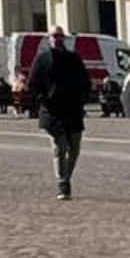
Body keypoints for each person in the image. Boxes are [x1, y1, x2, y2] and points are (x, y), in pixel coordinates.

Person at [27, 26, 92, 200]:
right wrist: (44, 99)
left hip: (73, 110)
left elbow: (86, 81)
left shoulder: (74, 58)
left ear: (64, 38)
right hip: (52, 111)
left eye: (60, 36)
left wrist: (83, 99)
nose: (57, 39)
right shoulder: (42, 59)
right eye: (54, 36)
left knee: (75, 149)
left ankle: (66, 178)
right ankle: (62, 183)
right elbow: (32, 84)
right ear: (49, 38)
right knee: (60, 147)